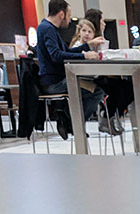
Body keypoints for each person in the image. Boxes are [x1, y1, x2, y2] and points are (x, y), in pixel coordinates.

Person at [36, 0, 104, 140]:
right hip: (54, 83)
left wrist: (88, 45)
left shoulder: (47, 28)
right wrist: (84, 55)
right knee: (97, 91)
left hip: (55, 80)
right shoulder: (47, 29)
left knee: (94, 89)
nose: (69, 20)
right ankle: (74, 122)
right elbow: (56, 55)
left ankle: (69, 118)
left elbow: (66, 51)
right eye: (69, 16)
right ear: (61, 14)